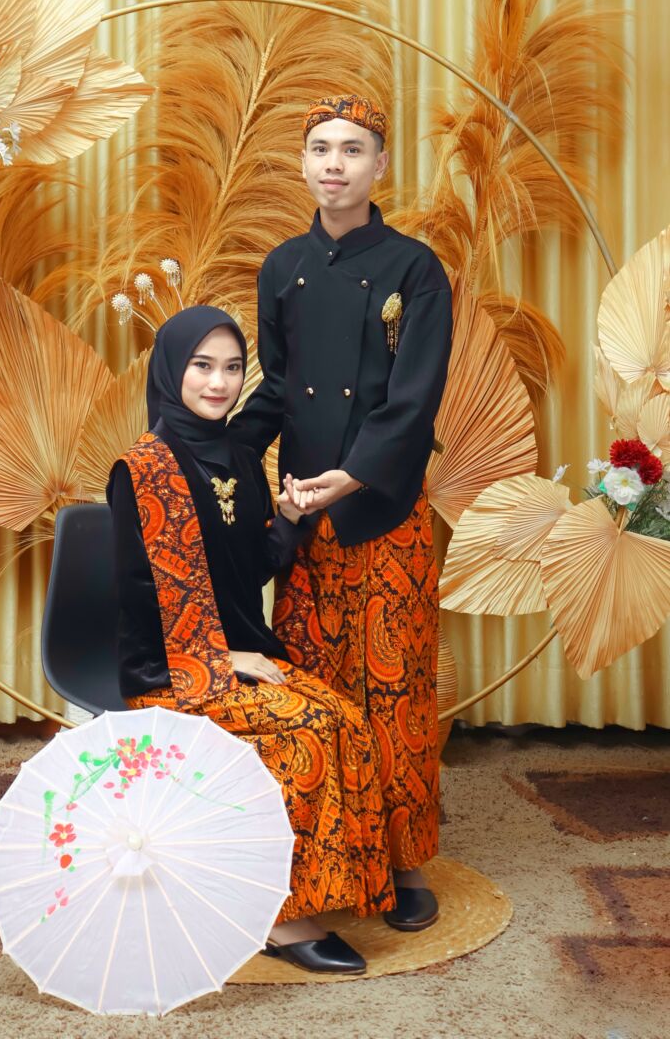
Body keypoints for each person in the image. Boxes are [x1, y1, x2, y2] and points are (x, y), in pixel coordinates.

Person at [106, 305, 397, 975]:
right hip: (170, 671)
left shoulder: (239, 456)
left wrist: (289, 517)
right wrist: (219, 656)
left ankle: (324, 891)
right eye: (202, 366)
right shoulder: (141, 469)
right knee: (304, 734)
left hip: (233, 656)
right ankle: (280, 919)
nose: (219, 382)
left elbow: (252, 570)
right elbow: (142, 597)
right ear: (171, 369)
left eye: (233, 367)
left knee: (345, 719)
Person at [230, 94, 453, 931]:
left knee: (397, 691)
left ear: (380, 164)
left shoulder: (414, 268)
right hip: (305, 514)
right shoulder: (282, 265)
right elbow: (280, 389)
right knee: (316, 686)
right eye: (321, 147)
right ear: (303, 162)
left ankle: (405, 861)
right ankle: (331, 852)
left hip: (384, 510)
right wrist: (215, 450)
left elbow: (413, 400)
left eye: (352, 149)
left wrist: (351, 478)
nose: (334, 163)